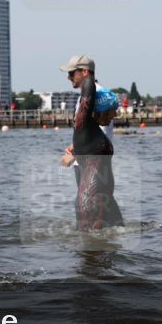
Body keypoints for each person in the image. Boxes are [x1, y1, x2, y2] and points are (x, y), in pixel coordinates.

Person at [59, 55, 123, 230]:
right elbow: (87, 128)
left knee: (89, 207)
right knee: (102, 206)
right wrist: (74, 148)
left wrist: (73, 154)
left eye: (72, 73)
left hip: (93, 159)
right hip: (89, 159)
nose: (68, 77)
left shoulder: (98, 94)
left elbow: (100, 130)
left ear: (84, 72)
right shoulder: (91, 94)